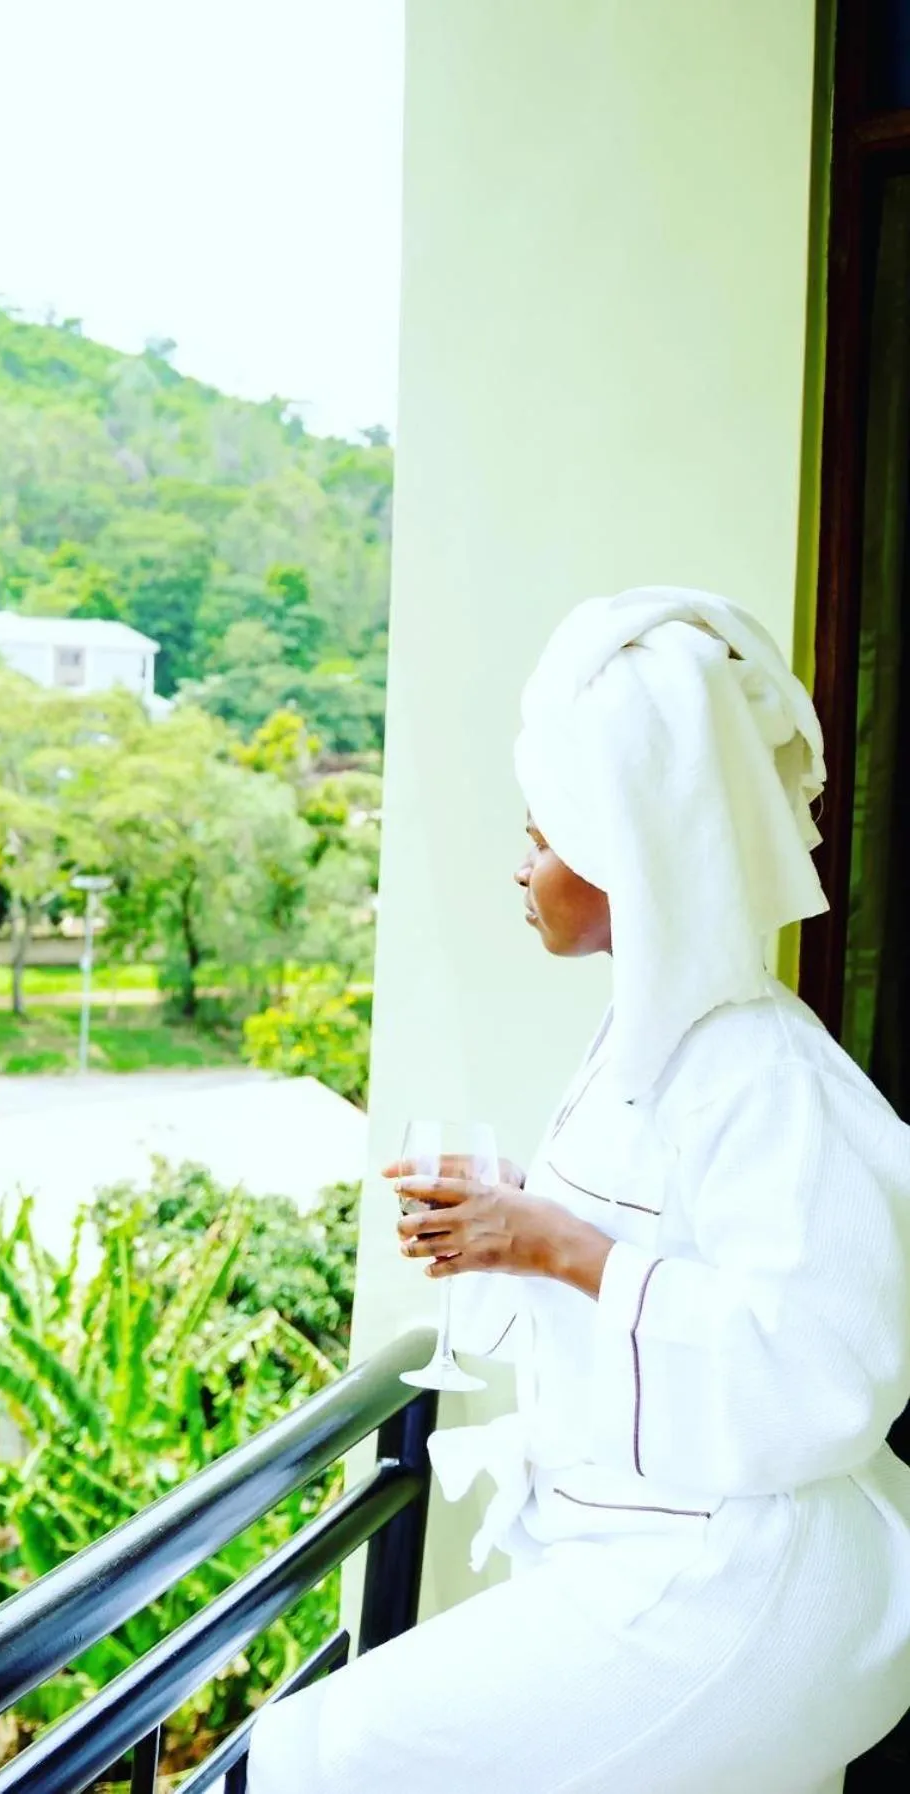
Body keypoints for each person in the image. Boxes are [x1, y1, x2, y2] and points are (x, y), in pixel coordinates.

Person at [244, 590, 910, 1794]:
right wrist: (519, 1213)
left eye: (542, 837)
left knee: (316, 1757)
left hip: (743, 1585)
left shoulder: (763, 1069)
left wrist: (557, 1246)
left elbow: (824, 1362)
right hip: (669, 1548)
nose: (520, 865)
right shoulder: (656, 1042)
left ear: (628, 857)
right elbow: (670, 1238)